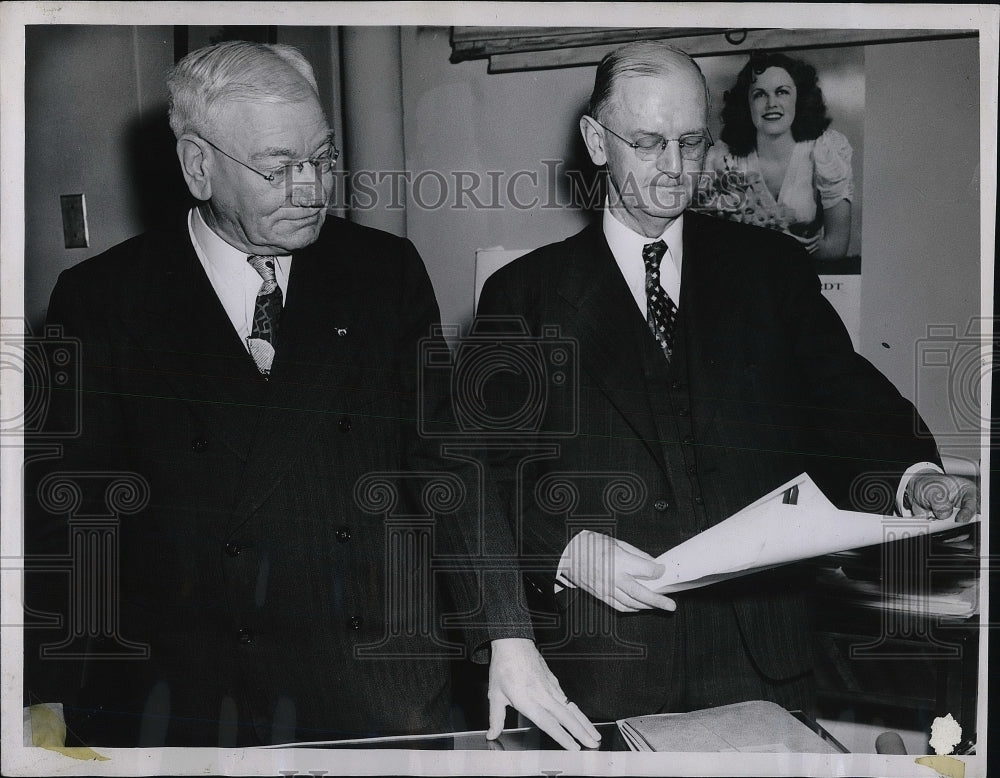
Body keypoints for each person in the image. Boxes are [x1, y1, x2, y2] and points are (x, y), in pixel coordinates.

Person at [23, 40, 599, 750]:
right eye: (277, 168)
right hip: (196, 696)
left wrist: (506, 633)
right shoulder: (102, 299)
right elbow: (70, 511)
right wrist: (43, 692)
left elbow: (448, 462)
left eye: (321, 159)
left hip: (371, 684)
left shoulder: (383, 272)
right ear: (198, 166)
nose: (310, 188)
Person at [475, 41, 977, 722]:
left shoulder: (769, 269)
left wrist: (912, 474)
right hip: (605, 666)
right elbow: (485, 473)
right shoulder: (522, 295)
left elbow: (844, 396)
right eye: (649, 143)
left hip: (764, 664)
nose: (676, 167)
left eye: (691, 141)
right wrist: (562, 549)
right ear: (597, 142)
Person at [701, 51, 854, 260]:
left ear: (799, 97)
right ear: (747, 103)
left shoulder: (825, 150)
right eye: (760, 94)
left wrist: (811, 250)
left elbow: (837, 247)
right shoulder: (724, 158)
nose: (771, 103)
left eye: (782, 92)